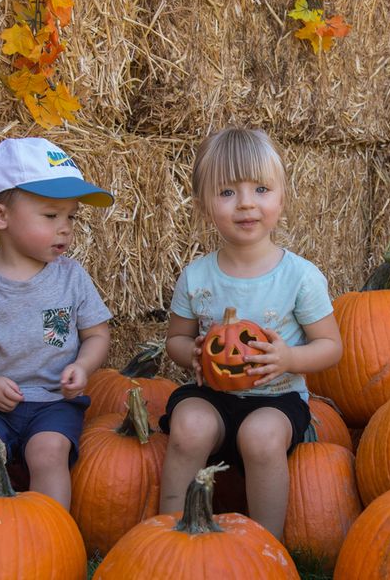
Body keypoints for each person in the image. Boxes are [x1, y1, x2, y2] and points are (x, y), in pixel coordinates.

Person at [159, 128, 343, 538]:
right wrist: (188, 352)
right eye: (226, 192)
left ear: (282, 198)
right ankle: (167, 533)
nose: (245, 203)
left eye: (260, 188)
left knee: (260, 437)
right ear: (204, 205)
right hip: (213, 396)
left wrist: (289, 359)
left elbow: (331, 347)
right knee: (188, 427)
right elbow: (175, 339)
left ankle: (265, 546)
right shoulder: (196, 276)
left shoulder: (300, 277)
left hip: (276, 401)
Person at [0, 137, 113, 509]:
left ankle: (52, 538)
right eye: (51, 216)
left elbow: (96, 333)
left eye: (71, 217)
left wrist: (83, 365)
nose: (66, 228)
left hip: (53, 403)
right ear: (0, 216)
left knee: (48, 451)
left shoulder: (71, 277)